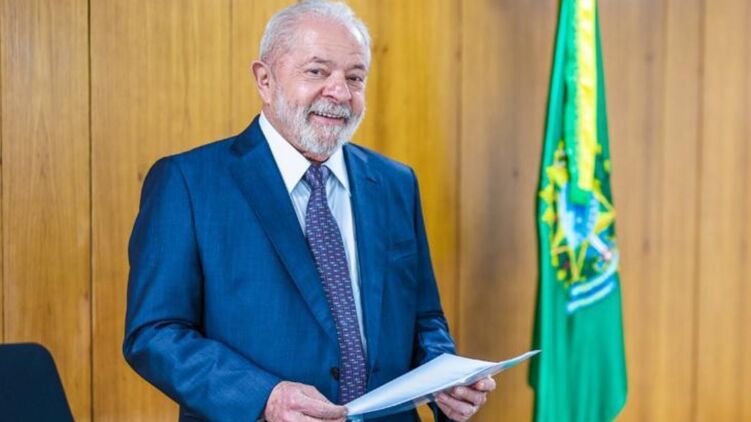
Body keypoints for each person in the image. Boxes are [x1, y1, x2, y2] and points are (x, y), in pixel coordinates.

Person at [123, 1, 495, 421]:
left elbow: (424, 318)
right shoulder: (188, 182)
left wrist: (444, 378)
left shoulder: (395, 183)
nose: (340, 93)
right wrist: (263, 398)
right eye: (317, 71)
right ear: (265, 80)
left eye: (354, 77)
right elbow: (154, 333)